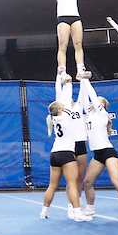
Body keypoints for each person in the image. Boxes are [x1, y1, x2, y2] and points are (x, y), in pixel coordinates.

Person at [77, 75, 118, 221]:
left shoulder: (102, 114)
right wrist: (82, 80)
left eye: (97, 102)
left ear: (102, 106)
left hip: (108, 153)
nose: (94, 103)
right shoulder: (91, 114)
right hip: (97, 155)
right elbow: (85, 97)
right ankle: (90, 209)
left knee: (116, 182)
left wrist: (86, 80)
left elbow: (91, 96)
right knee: (87, 182)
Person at [27, 0, 101, 75]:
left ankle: (80, 69)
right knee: (63, 45)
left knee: (78, 44)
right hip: (63, 18)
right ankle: (62, 70)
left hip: (75, 17)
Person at [39, 89, 84, 220]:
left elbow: (62, 103)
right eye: (62, 106)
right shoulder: (65, 116)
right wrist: (67, 84)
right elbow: (66, 98)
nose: (65, 107)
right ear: (59, 110)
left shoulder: (54, 119)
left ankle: (44, 212)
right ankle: (78, 213)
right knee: (72, 185)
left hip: (54, 154)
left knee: (52, 186)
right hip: (66, 154)